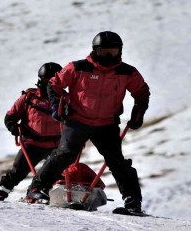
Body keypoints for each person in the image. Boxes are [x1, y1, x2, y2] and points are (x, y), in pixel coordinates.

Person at [25, 31, 150, 213]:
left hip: (107, 124)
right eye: (104, 51)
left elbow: (142, 92)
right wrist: (56, 106)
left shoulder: (127, 72)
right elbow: (54, 84)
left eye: (113, 52)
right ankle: (37, 190)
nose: (108, 56)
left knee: (116, 161)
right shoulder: (78, 68)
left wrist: (138, 113)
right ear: (95, 50)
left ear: (120, 51)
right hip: (77, 120)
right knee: (65, 154)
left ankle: (132, 202)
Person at [0, 62, 64, 201]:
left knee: (59, 173)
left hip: (55, 145)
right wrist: (14, 128)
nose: (50, 85)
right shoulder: (29, 98)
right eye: (47, 81)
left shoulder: (66, 100)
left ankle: (46, 194)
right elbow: (10, 117)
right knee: (18, 172)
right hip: (32, 143)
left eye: (54, 81)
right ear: (40, 80)